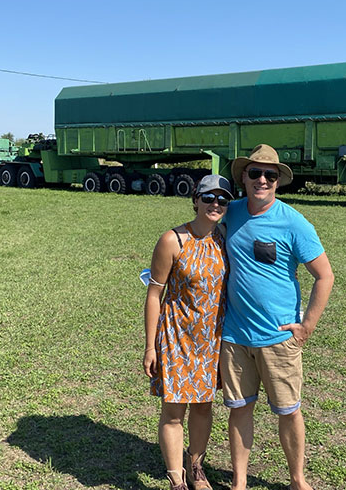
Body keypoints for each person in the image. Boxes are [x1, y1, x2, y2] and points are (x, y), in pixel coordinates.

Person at [221, 144, 335, 490]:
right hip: (234, 336)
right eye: (255, 173)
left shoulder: (294, 222)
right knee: (240, 409)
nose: (262, 180)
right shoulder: (229, 212)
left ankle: (298, 480)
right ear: (243, 177)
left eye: (270, 175)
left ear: (277, 181)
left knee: (288, 411)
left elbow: (324, 276)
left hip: (278, 338)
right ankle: (240, 482)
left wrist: (307, 326)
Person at [143, 174, 234, 490]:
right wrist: (150, 346)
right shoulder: (173, 240)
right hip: (176, 337)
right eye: (208, 197)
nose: (215, 204)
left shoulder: (224, 237)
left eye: (222, 199)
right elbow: (154, 294)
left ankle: (196, 468)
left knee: (204, 406)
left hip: (211, 339)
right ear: (195, 200)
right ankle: (176, 478)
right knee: (173, 410)